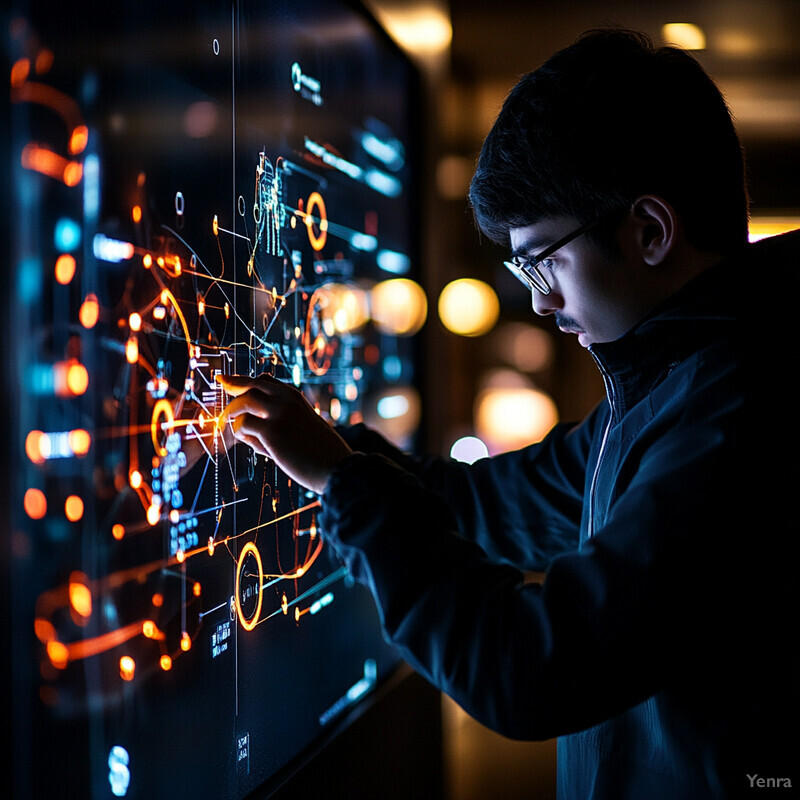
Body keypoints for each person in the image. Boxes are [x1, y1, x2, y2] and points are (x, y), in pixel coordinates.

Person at [218, 29, 797, 800]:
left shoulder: (736, 413)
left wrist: (348, 487)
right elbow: (491, 504)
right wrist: (340, 463)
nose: (540, 301)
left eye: (544, 259)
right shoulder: (673, 385)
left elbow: (537, 669)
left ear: (651, 231)